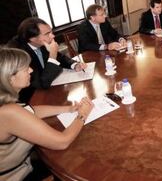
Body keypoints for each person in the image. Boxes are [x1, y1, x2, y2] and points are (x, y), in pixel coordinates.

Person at [0, 47, 94, 181]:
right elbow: (62, 142)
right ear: (10, 78)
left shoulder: (7, 104)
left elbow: (31, 111)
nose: (31, 70)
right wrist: (83, 115)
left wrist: (68, 109)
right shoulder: (9, 112)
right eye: (26, 68)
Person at [7, 17, 87, 103]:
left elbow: (60, 57)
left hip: (49, 86)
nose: (53, 36)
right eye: (47, 34)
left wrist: (74, 64)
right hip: (29, 98)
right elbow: (41, 84)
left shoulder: (40, 43)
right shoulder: (19, 54)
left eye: (51, 32)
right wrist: (52, 56)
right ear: (32, 38)